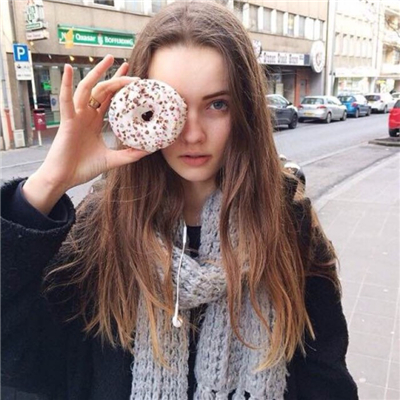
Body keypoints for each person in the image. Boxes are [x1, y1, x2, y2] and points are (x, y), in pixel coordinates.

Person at [1, 2, 358, 399]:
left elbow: (325, 378)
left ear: (245, 110)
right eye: (172, 106)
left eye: (217, 104)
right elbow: (22, 360)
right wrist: (50, 182)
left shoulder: (286, 222)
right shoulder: (102, 227)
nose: (193, 134)